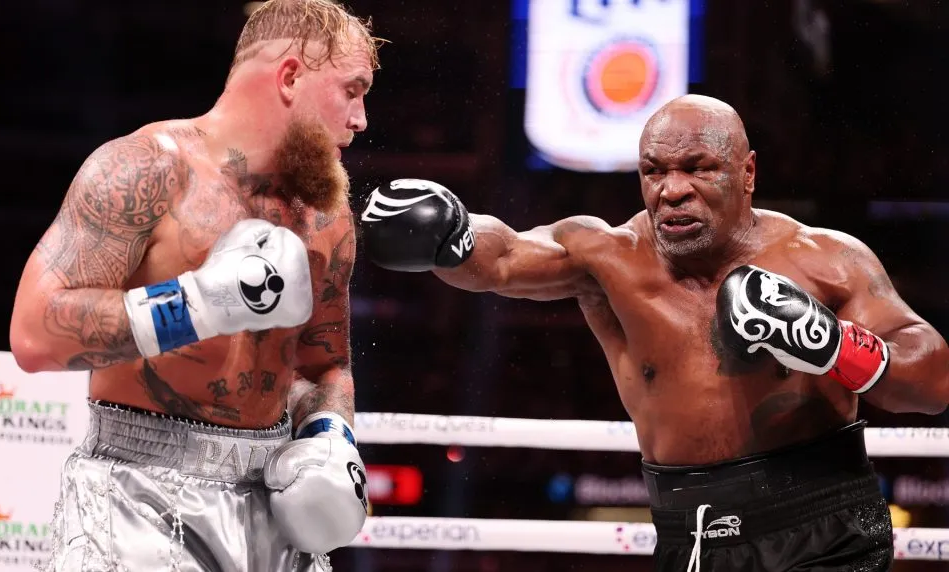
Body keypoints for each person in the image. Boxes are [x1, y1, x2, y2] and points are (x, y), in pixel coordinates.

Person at [360, 94, 949, 571]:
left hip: (827, 531)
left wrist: (834, 345)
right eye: (654, 171)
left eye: (697, 169)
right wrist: (452, 233)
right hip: (690, 537)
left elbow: (932, 378)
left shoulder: (826, 259)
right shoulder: (610, 256)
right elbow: (507, 255)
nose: (671, 190)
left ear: (747, 174)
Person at [9, 1, 381, 570]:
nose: (360, 119)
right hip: (139, 494)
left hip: (271, 501)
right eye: (352, 91)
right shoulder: (146, 169)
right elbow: (35, 333)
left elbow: (324, 363)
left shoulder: (326, 215)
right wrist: (200, 305)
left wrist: (330, 437)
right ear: (289, 78)